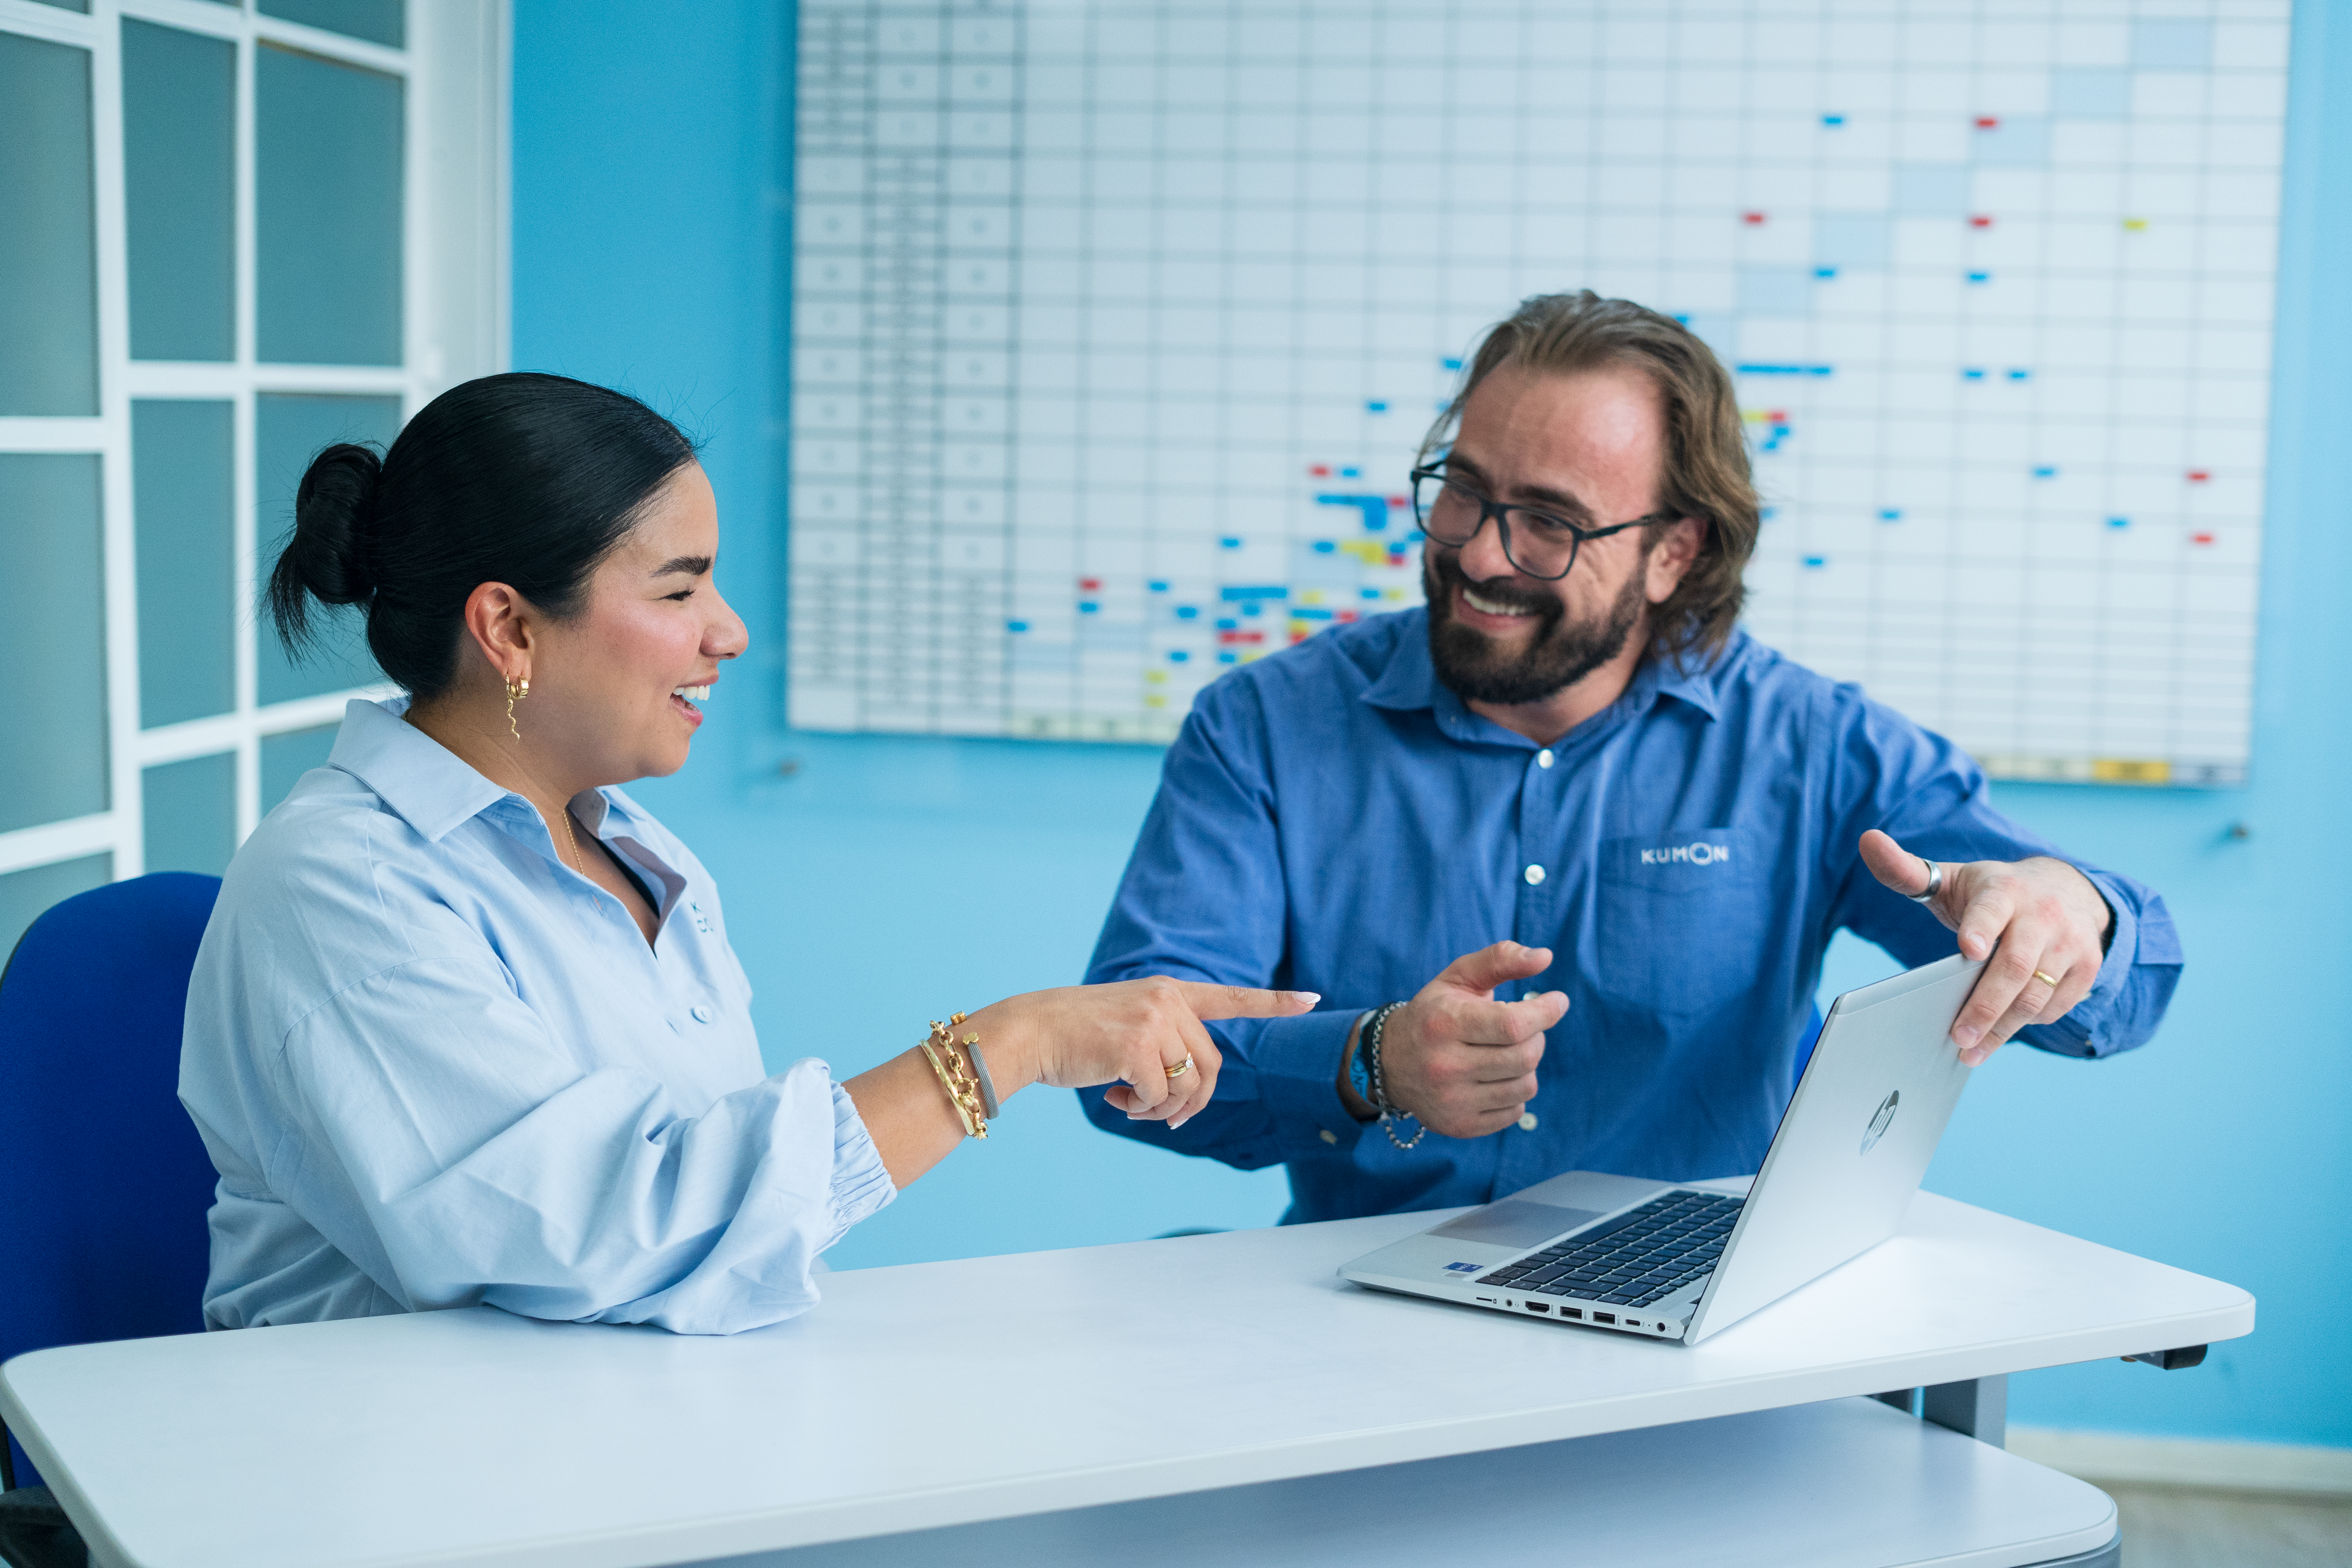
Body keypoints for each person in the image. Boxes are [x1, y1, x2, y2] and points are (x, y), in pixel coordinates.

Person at [178, 372, 1311, 1336]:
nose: (730, 632)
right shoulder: (339, 888)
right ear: (510, 629)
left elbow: (715, 1244)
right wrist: (1005, 1048)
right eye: (679, 588)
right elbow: (616, 1235)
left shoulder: (637, 853)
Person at [1080, 292, 2182, 1222]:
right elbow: (1116, 1054)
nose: (1477, 552)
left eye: (1549, 523)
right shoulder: (1267, 728)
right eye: (1463, 490)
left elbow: (2119, 991)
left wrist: (2064, 912)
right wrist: (1367, 1064)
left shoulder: (1807, 747)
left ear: (1672, 552)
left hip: (1705, 1353)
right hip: (1363, 1338)